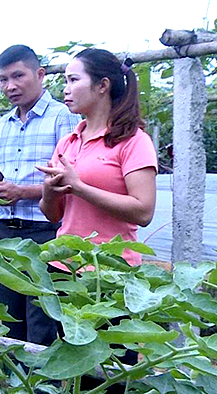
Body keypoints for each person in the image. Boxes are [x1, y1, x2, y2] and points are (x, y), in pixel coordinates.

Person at [0, 45, 81, 346]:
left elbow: (71, 180)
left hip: (45, 231)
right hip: (5, 230)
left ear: (40, 75)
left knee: (42, 318)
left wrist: (21, 192)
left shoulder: (63, 118)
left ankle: (43, 389)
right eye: (3, 79)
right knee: (11, 318)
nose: (10, 86)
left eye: (18, 76)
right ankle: (16, 389)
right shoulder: (4, 125)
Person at [38, 48, 157, 268]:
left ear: (103, 85)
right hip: (63, 265)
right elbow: (53, 215)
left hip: (111, 270)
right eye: (66, 81)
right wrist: (49, 191)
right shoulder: (68, 142)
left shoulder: (134, 141)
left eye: (73, 80)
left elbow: (143, 212)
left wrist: (79, 187)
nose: (66, 90)